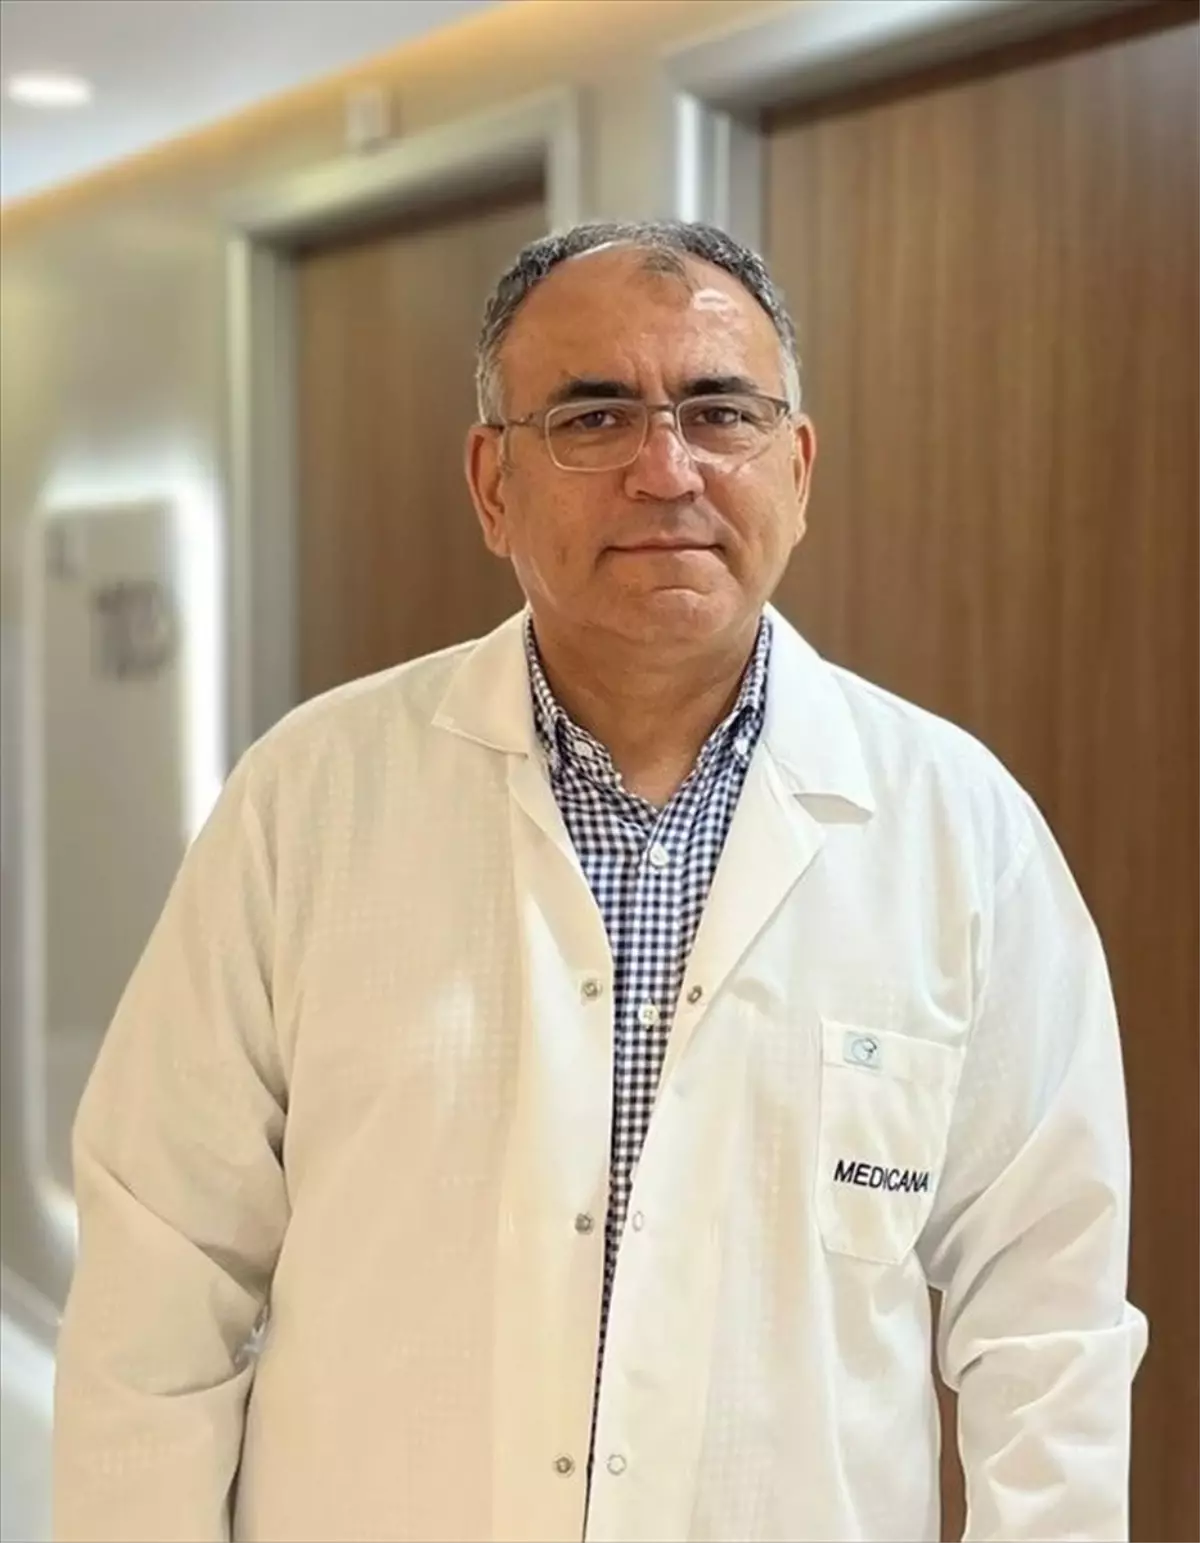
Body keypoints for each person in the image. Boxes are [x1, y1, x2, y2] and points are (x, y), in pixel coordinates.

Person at [53, 219, 1147, 1543]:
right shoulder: (309, 800)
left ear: (798, 470)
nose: (666, 469)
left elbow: (1048, 1328)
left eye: (721, 412)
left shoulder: (962, 832)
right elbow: (159, 1286)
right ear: (492, 484)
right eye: (593, 418)